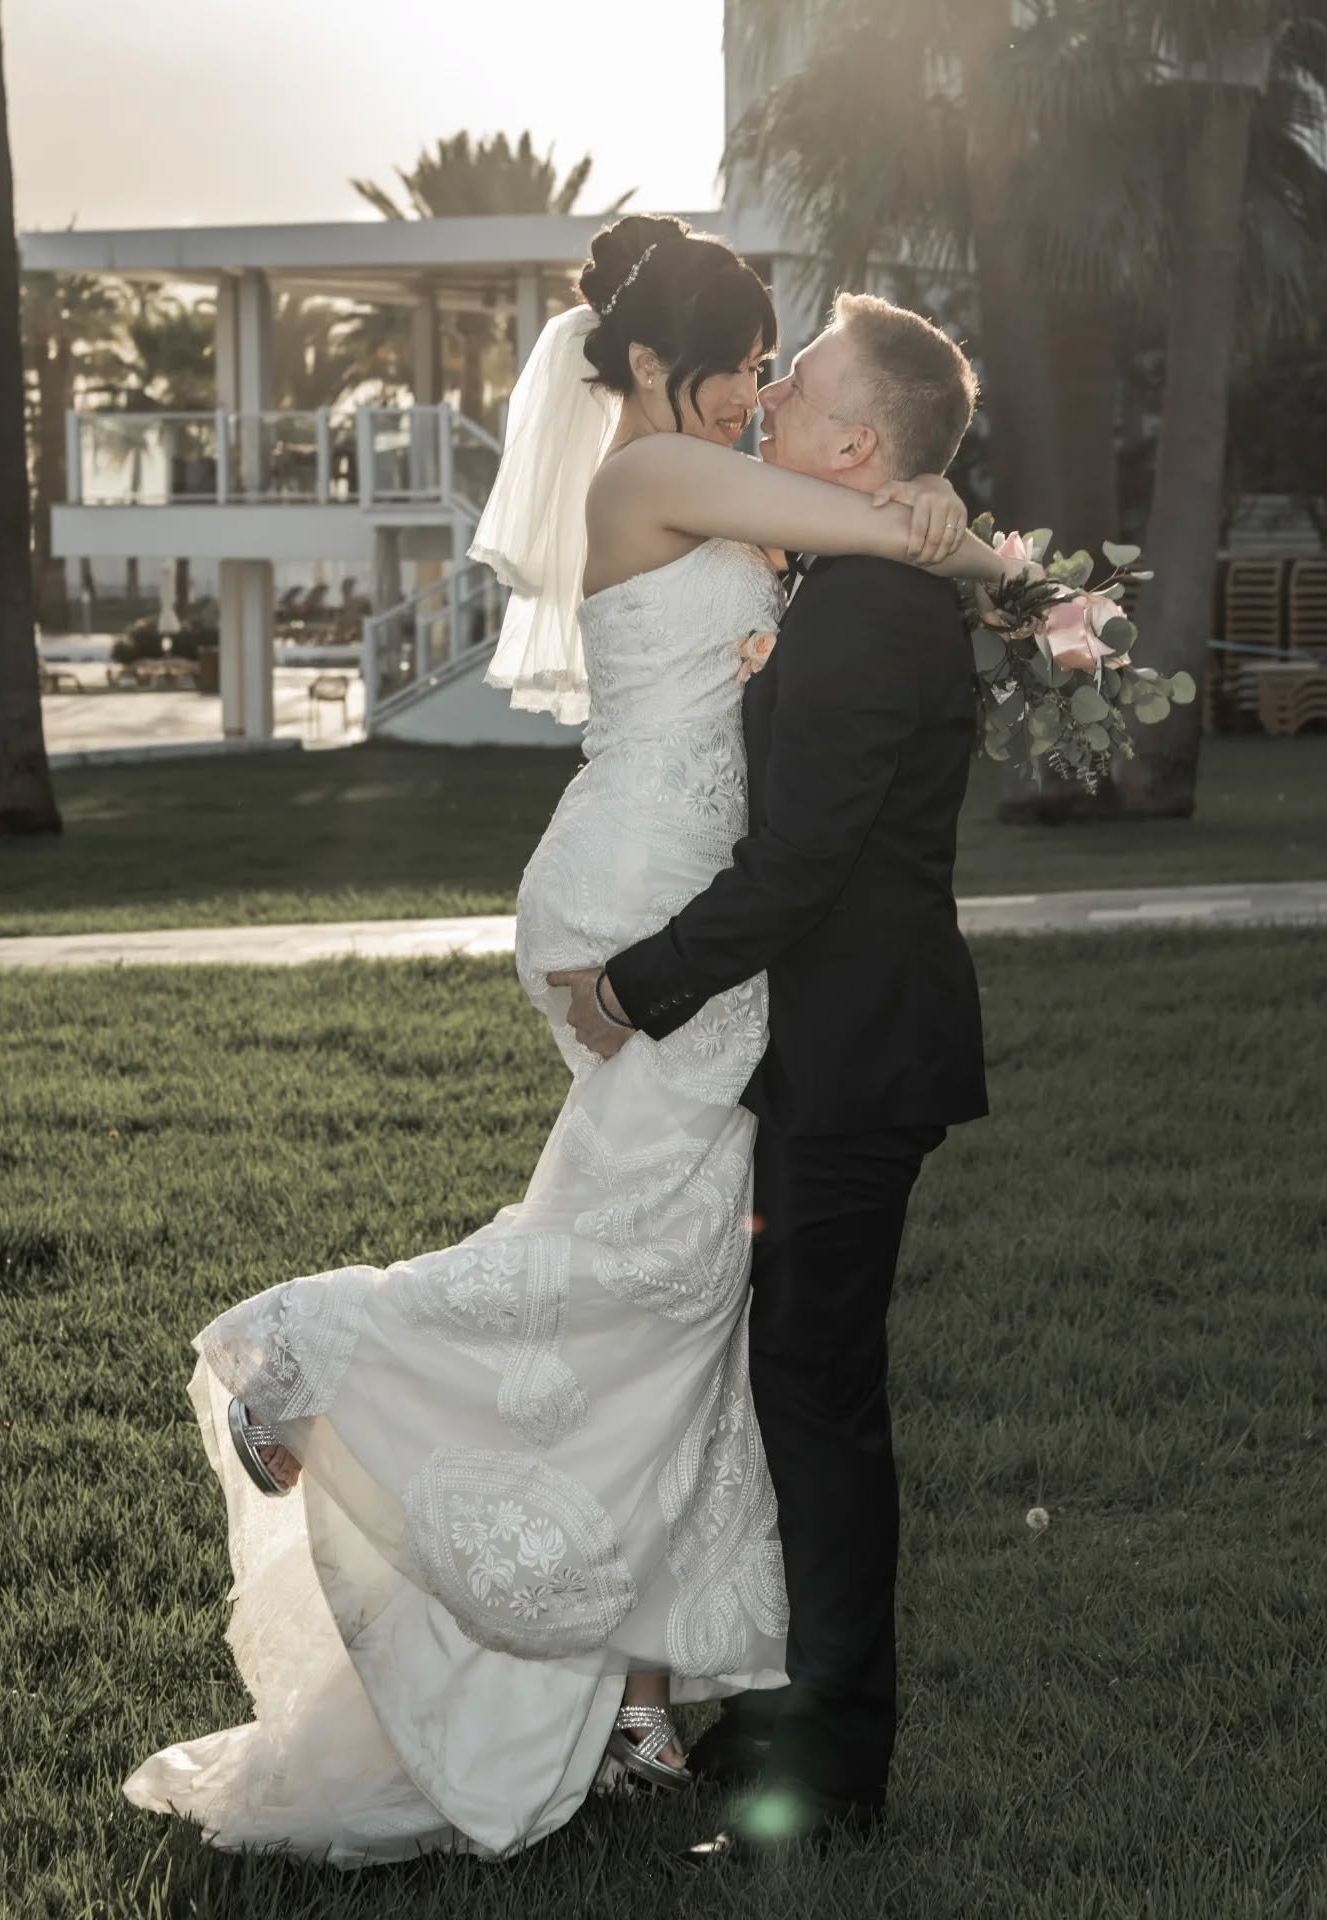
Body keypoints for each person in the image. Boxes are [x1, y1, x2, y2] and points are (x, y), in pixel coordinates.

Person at [122, 214, 1019, 1867]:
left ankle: (648, 1697)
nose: (759, 394)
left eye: (782, 372)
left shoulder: (728, 501)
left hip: (685, 905)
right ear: (659, 366)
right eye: (746, 366)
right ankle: (306, 1352)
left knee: (666, 1287)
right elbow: (864, 545)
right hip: (652, 904)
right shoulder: (662, 474)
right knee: (638, 1275)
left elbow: (822, 612)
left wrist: (937, 541)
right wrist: (972, 544)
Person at [552, 291, 992, 1863]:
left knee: (818, 1404)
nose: (770, 396)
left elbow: (800, 866)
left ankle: (834, 1773)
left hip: (855, 1054)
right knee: (791, 1388)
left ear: (856, 444)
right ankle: (768, 1714)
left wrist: (637, 986)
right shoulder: (855, 575)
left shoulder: (869, 608)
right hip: (828, 1043)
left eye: (797, 381)